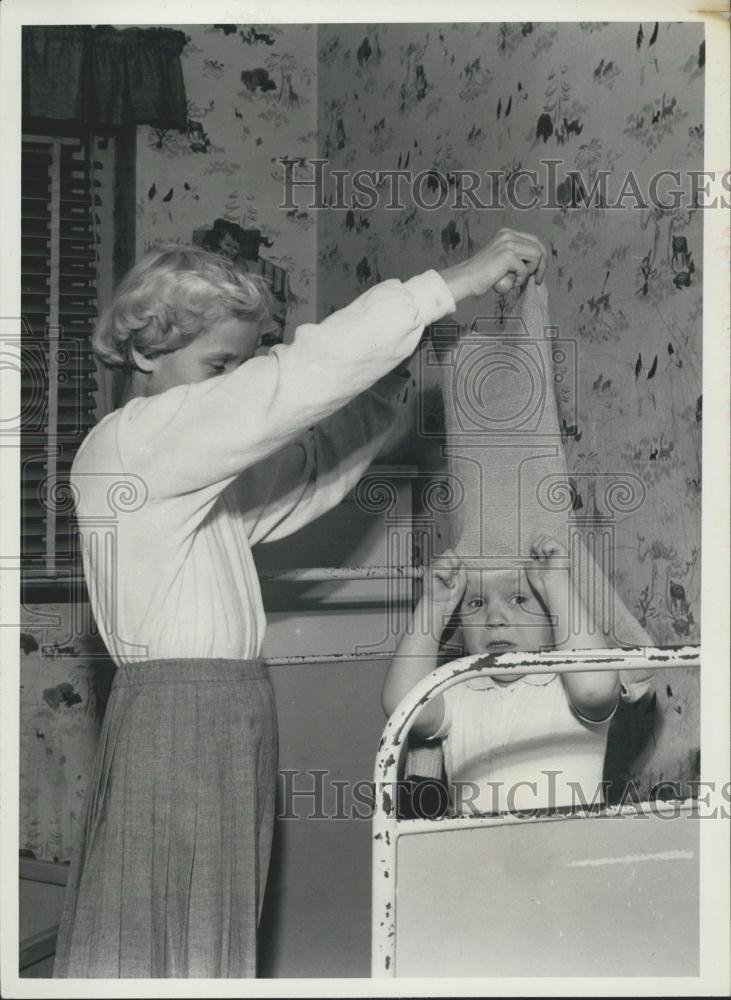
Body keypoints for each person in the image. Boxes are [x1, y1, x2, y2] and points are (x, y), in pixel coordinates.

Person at [54, 230, 548, 977]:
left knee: (202, 925)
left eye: (238, 368)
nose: (232, 386)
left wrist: (383, 387)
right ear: (145, 353)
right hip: (183, 713)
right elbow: (286, 385)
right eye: (217, 366)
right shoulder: (131, 446)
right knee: (161, 928)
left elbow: (303, 472)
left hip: (224, 710)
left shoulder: (180, 470)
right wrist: (450, 282)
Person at [382, 535, 646, 816]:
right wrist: (434, 606)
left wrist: (557, 584)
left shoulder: (570, 686)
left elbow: (595, 689)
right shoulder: (461, 688)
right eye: (476, 603)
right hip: (478, 854)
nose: (495, 618)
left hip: (566, 852)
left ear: (554, 614)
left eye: (519, 599)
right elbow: (403, 706)